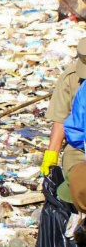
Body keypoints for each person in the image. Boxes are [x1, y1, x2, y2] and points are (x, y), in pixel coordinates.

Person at [42, 38, 86, 178]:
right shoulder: (70, 77)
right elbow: (60, 119)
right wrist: (51, 155)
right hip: (80, 149)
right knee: (75, 186)